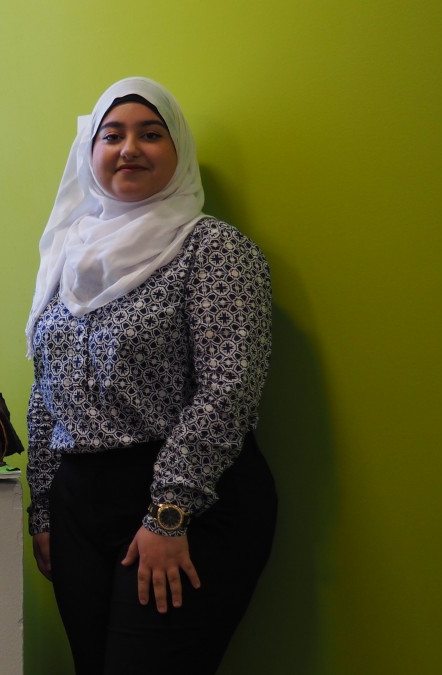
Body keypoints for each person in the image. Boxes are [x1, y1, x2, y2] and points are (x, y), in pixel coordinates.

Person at [24, 76, 278, 674]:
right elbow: (47, 394)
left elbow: (230, 388)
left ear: (178, 148)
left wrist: (170, 511)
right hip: (80, 507)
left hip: (190, 500)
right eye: (111, 135)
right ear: (89, 152)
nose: (129, 149)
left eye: (151, 134)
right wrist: (44, 511)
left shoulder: (212, 249)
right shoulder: (67, 256)